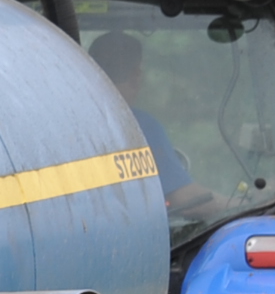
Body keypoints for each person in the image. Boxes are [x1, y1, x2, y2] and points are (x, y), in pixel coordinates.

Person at [90, 31, 218, 217]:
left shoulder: (64, 123)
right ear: (136, 75)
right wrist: (242, 204)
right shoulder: (139, 126)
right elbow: (186, 200)